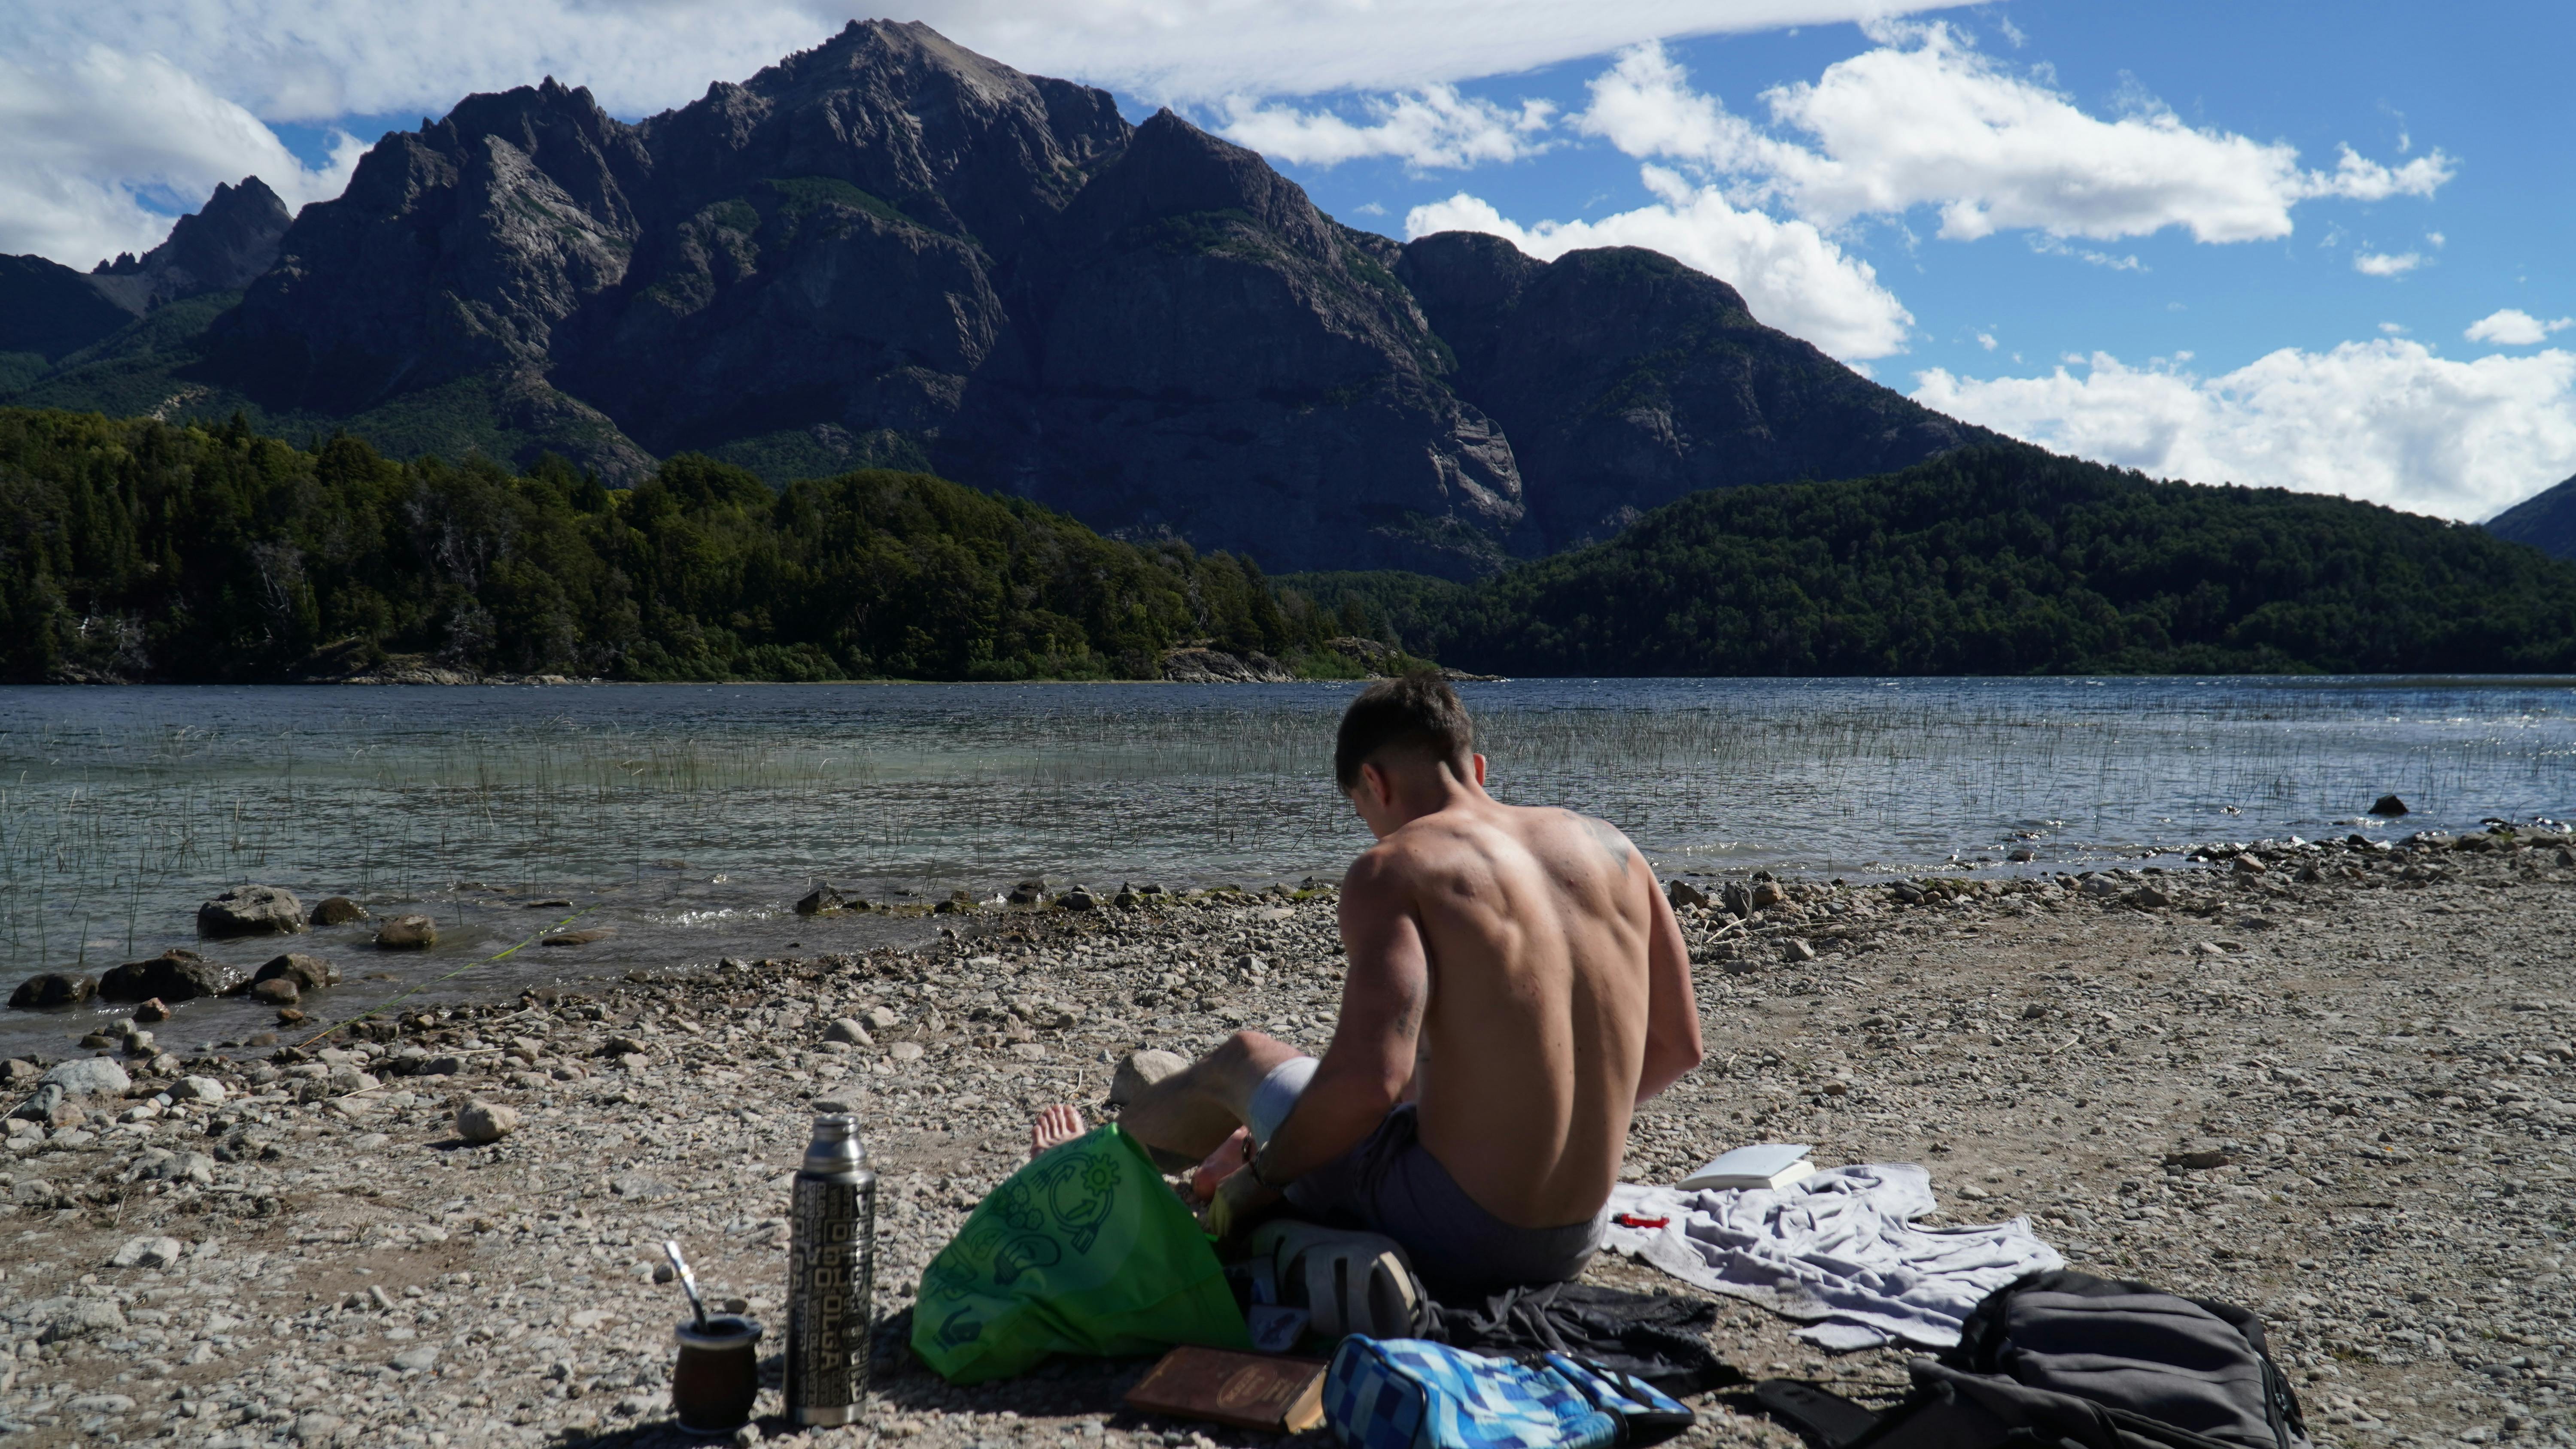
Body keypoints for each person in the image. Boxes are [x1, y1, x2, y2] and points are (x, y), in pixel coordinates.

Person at [1035, 673, 1704, 1298]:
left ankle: (1086, 1167)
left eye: (1360, 807)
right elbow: (1677, 1046)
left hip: (1464, 1240)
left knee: (1244, 1059)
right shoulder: (1612, 848)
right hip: (1575, 1240)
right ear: (1475, 769)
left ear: (1374, 783)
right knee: (1373, 1098)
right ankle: (1234, 1167)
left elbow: (1370, 1083)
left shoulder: (1396, 868)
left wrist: (1260, 1181)